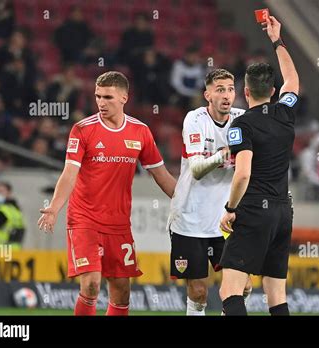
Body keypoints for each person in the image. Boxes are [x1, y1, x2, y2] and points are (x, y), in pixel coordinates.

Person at [37, 71, 176, 316]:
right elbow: (69, 173)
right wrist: (55, 208)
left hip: (118, 224)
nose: (101, 102)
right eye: (98, 96)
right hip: (84, 220)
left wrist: (186, 202)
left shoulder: (140, 132)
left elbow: (161, 174)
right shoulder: (82, 129)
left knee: (121, 290)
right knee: (91, 284)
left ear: (124, 97)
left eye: (108, 97)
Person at [219, 15, 299, 316]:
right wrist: (277, 40)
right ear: (274, 92)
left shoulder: (242, 125)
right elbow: (293, 79)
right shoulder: (285, 114)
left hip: (253, 210)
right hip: (283, 212)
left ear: (246, 92)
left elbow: (243, 173)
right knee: (276, 295)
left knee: (230, 290)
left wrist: (230, 209)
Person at [167, 68, 251, 315]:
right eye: (220, 90)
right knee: (198, 292)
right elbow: (196, 169)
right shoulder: (195, 119)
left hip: (226, 219)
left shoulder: (243, 118)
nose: (227, 95)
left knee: (243, 286)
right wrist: (227, 153)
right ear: (208, 95)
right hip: (190, 218)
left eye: (230, 89)